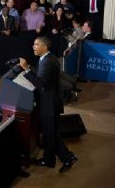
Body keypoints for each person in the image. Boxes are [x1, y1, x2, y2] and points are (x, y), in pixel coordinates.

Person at [19, 37, 77, 173]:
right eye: (33, 44)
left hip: (49, 104)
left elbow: (40, 83)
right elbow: (43, 78)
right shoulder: (48, 58)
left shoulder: (47, 62)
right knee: (49, 134)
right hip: (50, 101)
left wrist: (27, 70)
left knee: (51, 134)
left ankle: (67, 158)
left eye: (36, 44)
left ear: (45, 47)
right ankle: (49, 160)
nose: (33, 46)